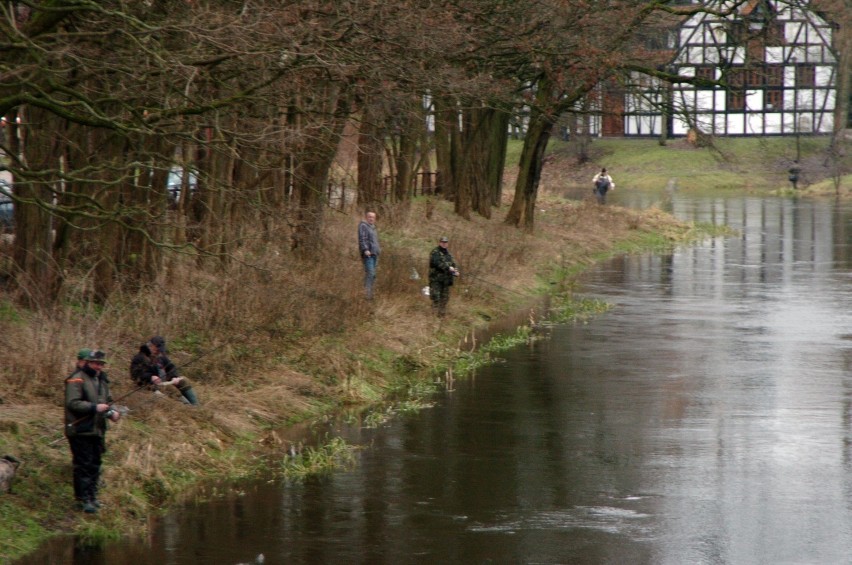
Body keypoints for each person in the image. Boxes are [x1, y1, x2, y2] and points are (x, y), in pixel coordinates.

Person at [64, 349, 120, 513]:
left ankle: (93, 497)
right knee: (84, 465)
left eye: (101, 364)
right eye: (96, 363)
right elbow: (73, 403)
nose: (99, 367)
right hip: (80, 430)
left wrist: (113, 412)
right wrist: (94, 407)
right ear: (88, 362)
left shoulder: (101, 380)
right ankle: (83, 499)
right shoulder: (76, 378)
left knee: (96, 464)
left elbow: (108, 401)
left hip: (97, 430)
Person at [130, 335, 199, 405]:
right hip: (149, 387)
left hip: (163, 384)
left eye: (159, 350)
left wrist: (174, 376)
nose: (158, 352)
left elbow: (171, 367)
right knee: (170, 400)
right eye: (157, 349)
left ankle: (195, 405)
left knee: (183, 381)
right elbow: (135, 375)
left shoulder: (161, 357)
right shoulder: (139, 358)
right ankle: (184, 406)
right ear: (151, 345)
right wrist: (150, 377)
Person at [428, 236, 459, 317]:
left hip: (446, 281)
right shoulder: (435, 252)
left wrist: (455, 272)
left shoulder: (449, 255)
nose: (444, 244)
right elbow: (436, 263)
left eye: (446, 242)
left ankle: (441, 317)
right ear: (440, 242)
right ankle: (432, 317)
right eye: (443, 242)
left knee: (444, 299)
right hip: (436, 280)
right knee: (436, 298)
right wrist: (448, 268)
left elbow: (453, 265)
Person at [358, 211, 381, 299]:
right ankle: (367, 295)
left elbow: (375, 241)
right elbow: (362, 239)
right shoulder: (363, 226)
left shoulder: (373, 227)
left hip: (375, 254)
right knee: (370, 273)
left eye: (373, 217)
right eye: (369, 217)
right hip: (368, 254)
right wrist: (365, 249)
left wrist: (378, 250)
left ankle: (370, 294)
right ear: (366, 217)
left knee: (373, 275)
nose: (371, 218)